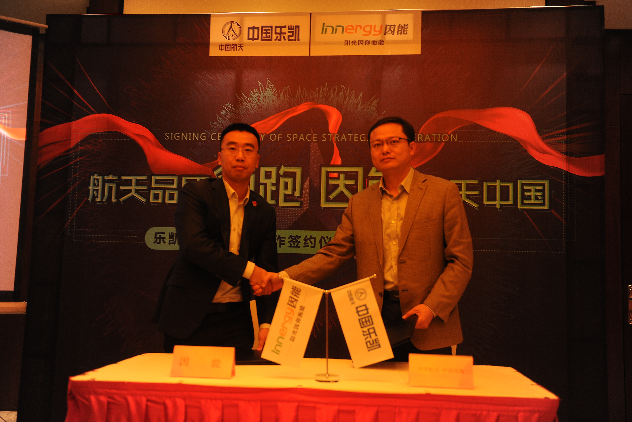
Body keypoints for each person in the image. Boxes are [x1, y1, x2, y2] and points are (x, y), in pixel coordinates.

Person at [252, 116, 473, 359]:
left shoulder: (443, 192)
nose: (385, 149)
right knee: (375, 385)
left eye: (393, 141)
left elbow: (460, 261)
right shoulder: (359, 202)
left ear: (411, 147)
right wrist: (284, 278)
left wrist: (433, 306)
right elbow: (333, 254)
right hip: (374, 324)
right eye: (377, 144)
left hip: (427, 322)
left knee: (429, 385)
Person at [152, 123, 279, 359]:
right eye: (232, 148)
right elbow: (194, 246)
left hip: (236, 321)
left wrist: (266, 324)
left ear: (257, 161)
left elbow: (267, 273)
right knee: (184, 382)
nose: (240, 156)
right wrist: (250, 270)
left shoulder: (264, 211)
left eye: (248, 150)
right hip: (189, 314)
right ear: (219, 157)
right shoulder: (195, 193)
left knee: (237, 381)